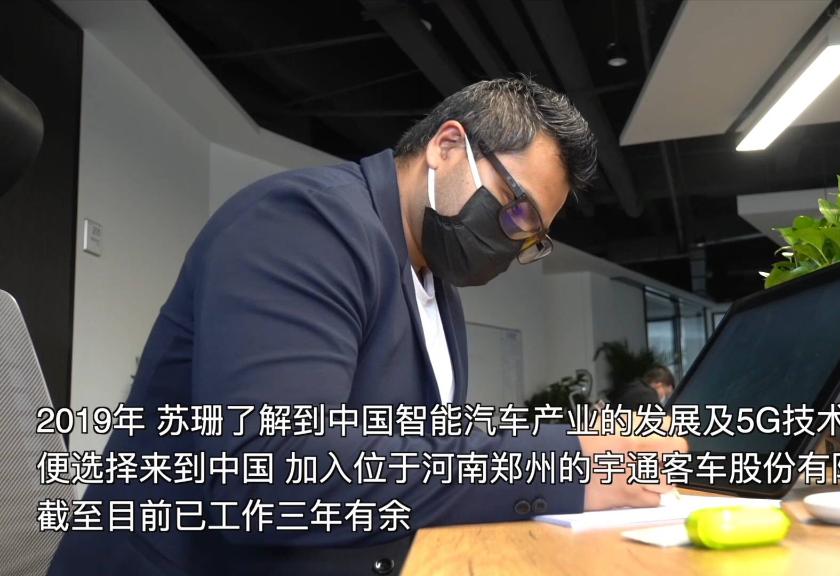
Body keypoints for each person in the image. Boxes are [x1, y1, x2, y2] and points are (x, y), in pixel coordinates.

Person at [49, 78, 688, 576]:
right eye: (516, 211)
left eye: (532, 238)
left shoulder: (435, 287)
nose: (516, 242)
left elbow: (415, 455)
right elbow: (274, 472)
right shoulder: (306, 224)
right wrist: (556, 464)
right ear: (447, 147)